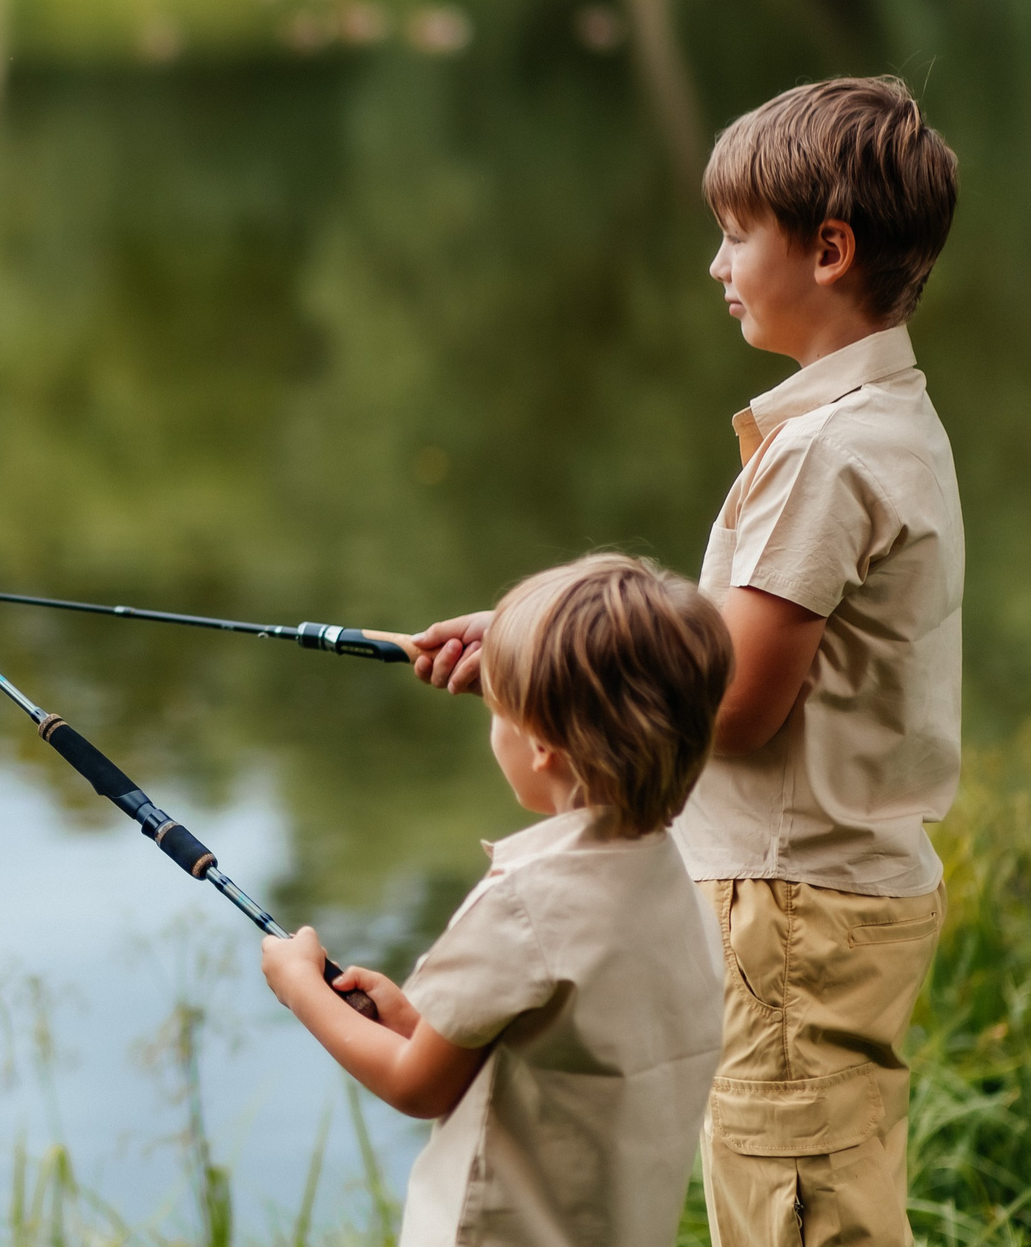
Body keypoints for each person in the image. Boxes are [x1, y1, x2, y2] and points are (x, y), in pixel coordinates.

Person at [411, 77, 963, 1246]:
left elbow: (743, 704)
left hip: (787, 899)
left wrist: (549, 676)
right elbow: (733, 651)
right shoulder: (893, 417)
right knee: (825, 1189)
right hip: (831, 890)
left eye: (731, 236)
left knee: (794, 1210)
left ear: (826, 248)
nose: (715, 266)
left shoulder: (820, 455)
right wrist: (530, 636)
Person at [261, 553, 733, 1247]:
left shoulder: (522, 903)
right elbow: (553, 1041)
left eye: (497, 708)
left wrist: (303, 988)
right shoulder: (674, 881)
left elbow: (419, 1087)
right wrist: (416, 1020)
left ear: (541, 746)